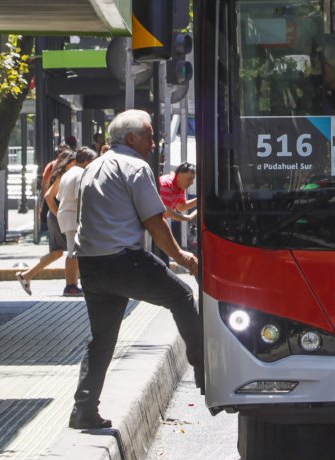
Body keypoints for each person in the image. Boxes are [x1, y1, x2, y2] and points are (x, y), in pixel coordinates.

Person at [67, 109, 201, 430]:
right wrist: (182, 257)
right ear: (131, 138)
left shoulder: (92, 167)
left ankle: (83, 410)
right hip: (123, 260)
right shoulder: (136, 167)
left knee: (101, 340)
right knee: (182, 296)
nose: (153, 144)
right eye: (149, 135)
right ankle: (206, 371)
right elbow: (154, 222)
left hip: (91, 265)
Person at [16, 148, 80, 295]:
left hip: (56, 215)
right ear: (70, 162)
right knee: (72, 250)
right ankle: (72, 284)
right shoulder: (64, 175)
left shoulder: (64, 174)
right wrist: (58, 215)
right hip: (57, 215)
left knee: (58, 252)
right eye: (75, 162)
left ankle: (27, 275)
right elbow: (48, 195)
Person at [54, 146, 98, 295]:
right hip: (74, 216)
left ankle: (73, 283)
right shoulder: (81, 174)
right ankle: (71, 285)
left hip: (66, 213)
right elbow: (80, 198)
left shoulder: (69, 173)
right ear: (87, 161)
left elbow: (59, 197)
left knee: (74, 250)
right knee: (73, 252)